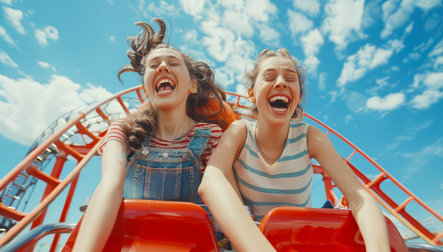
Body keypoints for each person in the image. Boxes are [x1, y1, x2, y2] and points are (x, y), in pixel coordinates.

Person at [198, 48, 390, 251]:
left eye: (290, 78)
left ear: (298, 97)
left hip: (299, 241)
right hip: (253, 240)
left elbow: (359, 197)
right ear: (252, 95)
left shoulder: (309, 137)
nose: (281, 82)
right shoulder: (240, 131)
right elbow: (211, 182)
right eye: (270, 76)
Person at [73, 18, 226, 251]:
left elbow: (222, 197)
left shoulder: (210, 137)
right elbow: (111, 185)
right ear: (145, 89)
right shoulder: (122, 132)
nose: (163, 67)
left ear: (192, 86)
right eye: (154, 65)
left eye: (173, 63)